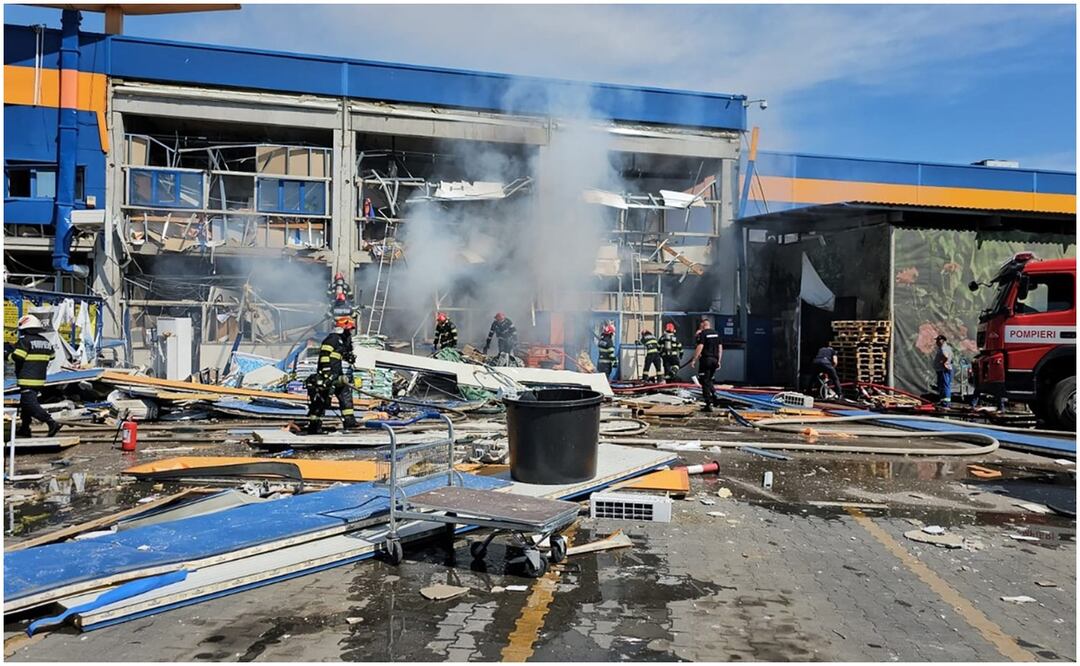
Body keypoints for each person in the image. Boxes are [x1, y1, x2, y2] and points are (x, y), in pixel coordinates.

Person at [7, 315, 61, 438]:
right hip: (39, 379)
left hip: (27, 378)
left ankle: (51, 422)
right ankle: (25, 428)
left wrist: (7, 355)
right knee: (24, 403)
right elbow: (52, 356)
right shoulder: (45, 342)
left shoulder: (24, 340)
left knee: (29, 403)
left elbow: (18, 357)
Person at [305, 316, 358, 434]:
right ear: (341, 328)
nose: (349, 332)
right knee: (321, 402)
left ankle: (349, 422)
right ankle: (314, 426)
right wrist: (326, 374)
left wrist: (348, 357)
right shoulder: (332, 339)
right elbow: (324, 355)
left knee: (345, 396)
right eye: (348, 329)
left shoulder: (342, 341)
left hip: (337, 374)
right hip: (327, 375)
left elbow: (341, 354)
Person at [689, 318, 722, 412]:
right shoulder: (716, 333)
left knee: (704, 381)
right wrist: (719, 361)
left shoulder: (703, 334)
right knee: (709, 379)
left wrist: (694, 359)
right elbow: (720, 348)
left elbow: (700, 346)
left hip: (706, 360)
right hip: (715, 360)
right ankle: (715, 396)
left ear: (703, 325)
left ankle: (708, 404)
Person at [933, 334, 954, 406]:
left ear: (942, 341)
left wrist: (944, 363)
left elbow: (946, 356)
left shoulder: (943, 348)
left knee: (945, 385)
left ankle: (946, 402)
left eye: (938, 341)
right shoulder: (947, 347)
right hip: (943, 370)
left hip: (943, 370)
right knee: (943, 385)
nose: (936, 342)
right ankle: (943, 401)